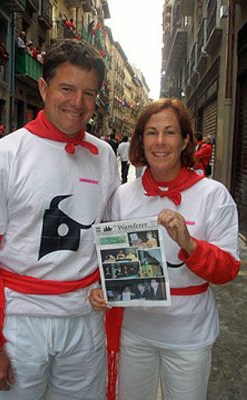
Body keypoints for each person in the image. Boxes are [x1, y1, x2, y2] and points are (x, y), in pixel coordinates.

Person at [0, 38, 120, 400]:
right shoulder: (1, 158)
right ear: (44, 87)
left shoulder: (105, 156)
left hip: (85, 321)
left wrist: (114, 287)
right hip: (19, 324)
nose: (77, 103)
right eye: (67, 88)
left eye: (89, 93)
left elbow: (111, 237)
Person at [90, 98, 241, 400]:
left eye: (170, 132)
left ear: (186, 140)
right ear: (141, 140)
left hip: (190, 337)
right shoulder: (122, 196)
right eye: (151, 132)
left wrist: (189, 244)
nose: (160, 142)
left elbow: (227, 270)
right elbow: (106, 258)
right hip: (134, 334)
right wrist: (101, 287)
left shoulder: (213, 195)